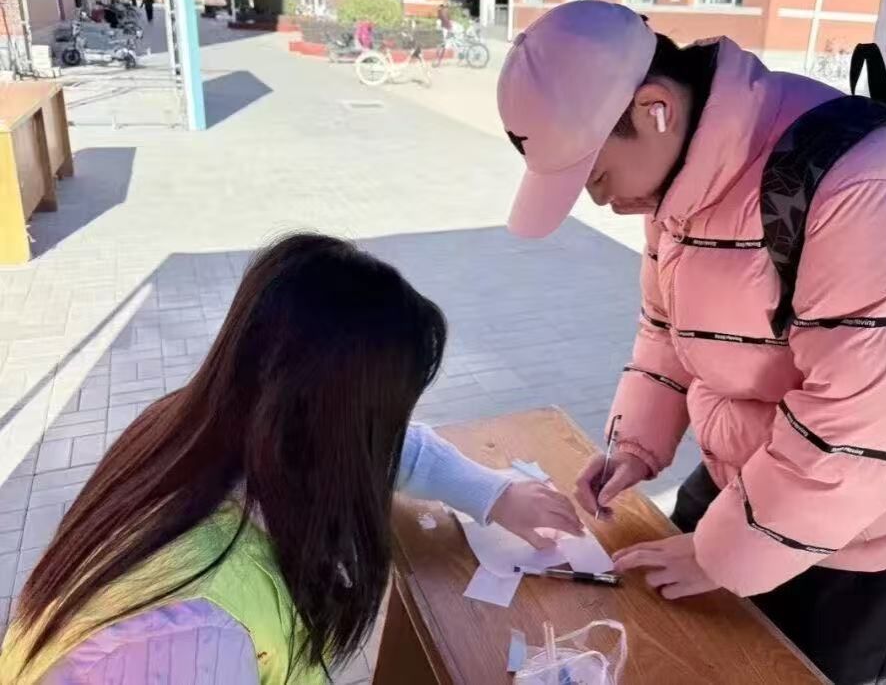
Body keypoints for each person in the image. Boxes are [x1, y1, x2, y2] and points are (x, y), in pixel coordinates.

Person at [497, 1, 886, 685]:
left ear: (653, 109)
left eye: (597, 176)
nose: (598, 200)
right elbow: (666, 329)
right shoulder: (678, 182)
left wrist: (720, 555)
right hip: (750, 483)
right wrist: (633, 447)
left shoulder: (858, 184)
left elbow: (861, 427)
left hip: (876, 535)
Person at [1, 233, 583, 684]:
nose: (387, 437)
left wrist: (494, 494)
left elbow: (385, 446)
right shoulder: (190, 639)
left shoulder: (204, 426)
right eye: (383, 415)